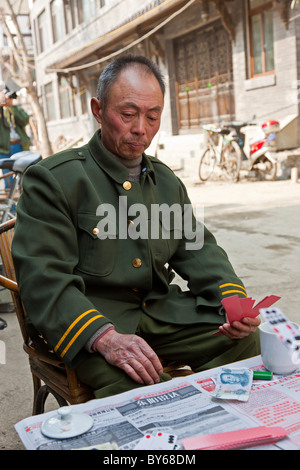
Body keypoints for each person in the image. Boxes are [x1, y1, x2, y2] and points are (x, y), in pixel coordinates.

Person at [11, 55, 260, 400]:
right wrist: (105, 338)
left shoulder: (166, 182)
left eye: (152, 116)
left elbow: (199, 248)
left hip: (159, 313)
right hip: (94, 326)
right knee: (138, 390)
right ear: (98, 110)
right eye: (127, 114)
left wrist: (232, 301)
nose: (141, 128)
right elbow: (44, 280)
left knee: (247, 341)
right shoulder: (56, 180)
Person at [0, 87, 30, 187]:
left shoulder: (15, 109)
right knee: (7, 179)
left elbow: (25, 120)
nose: (8, 99)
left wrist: (11, 108)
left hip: (17, 145)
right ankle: (11, 203)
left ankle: (23, 201)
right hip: (3, 149)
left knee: (22, 177)